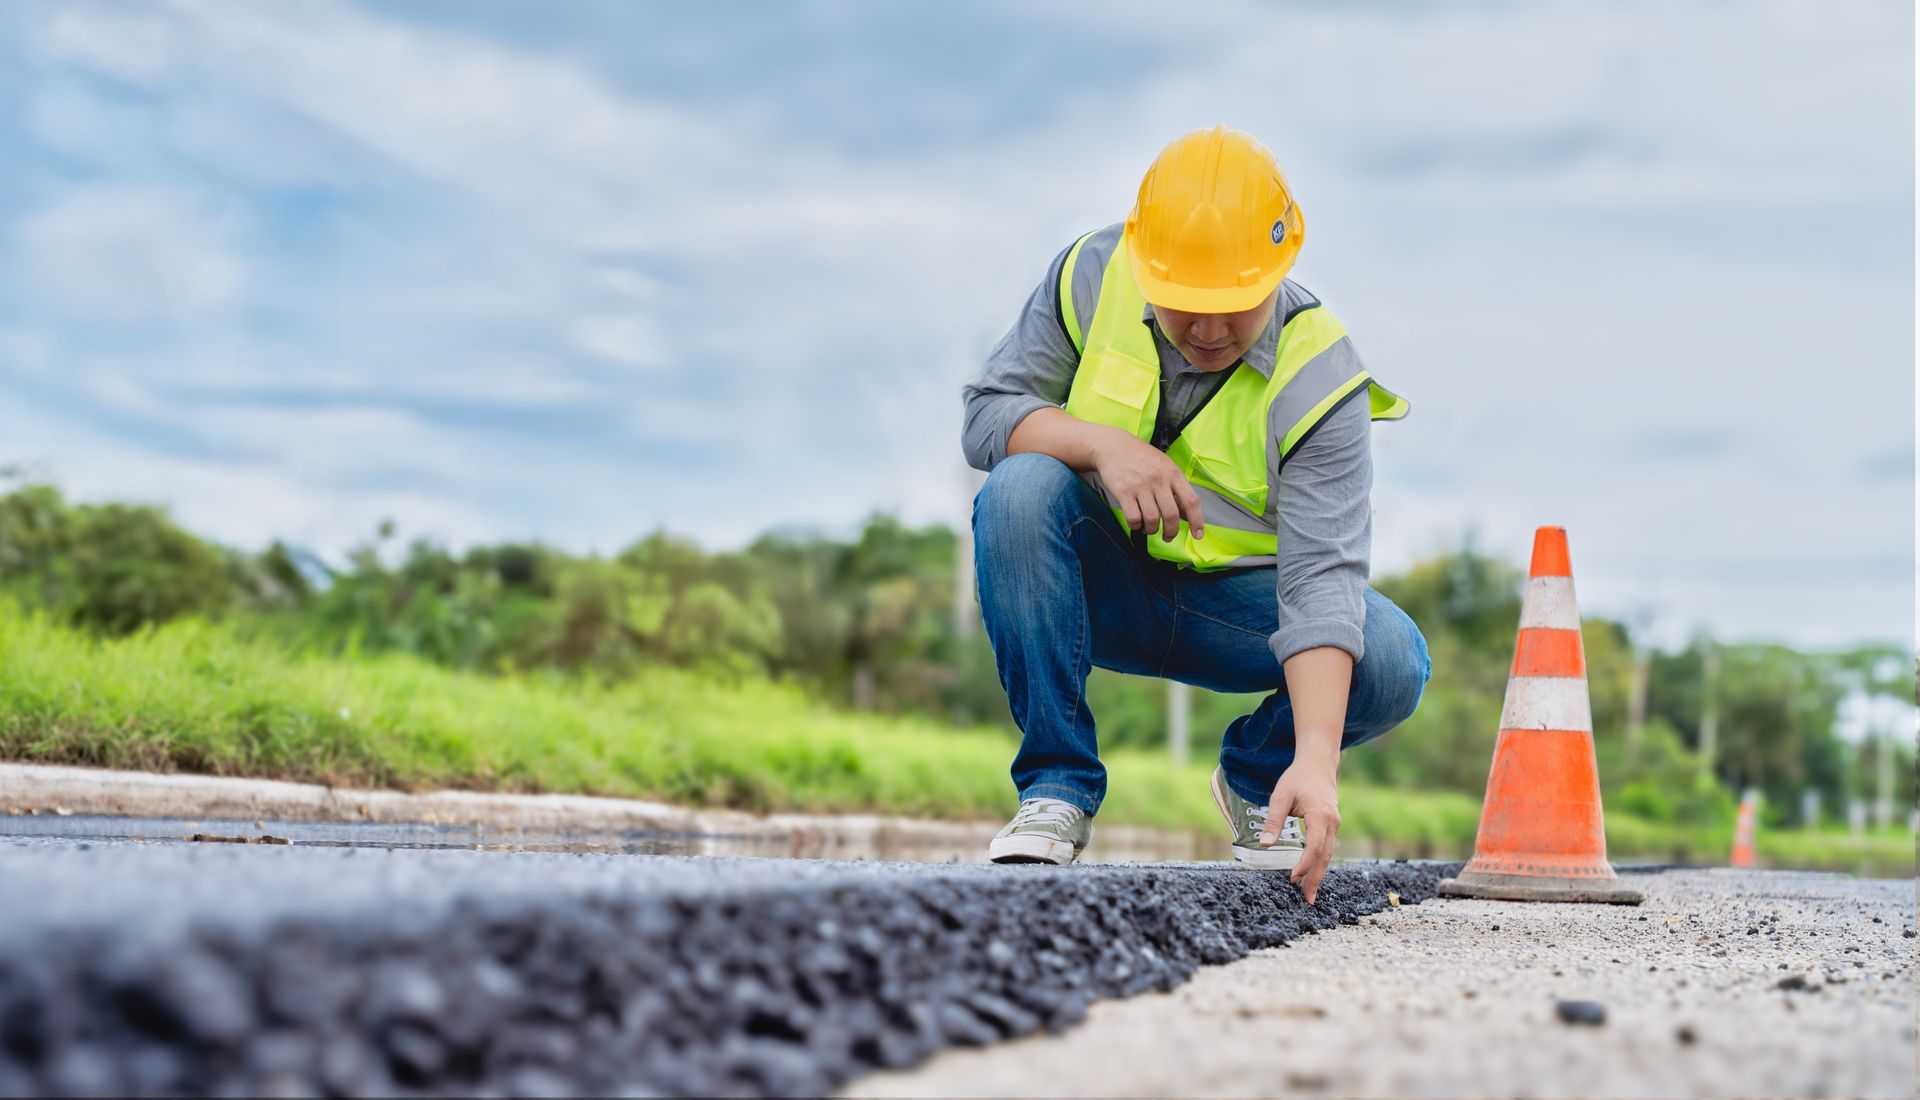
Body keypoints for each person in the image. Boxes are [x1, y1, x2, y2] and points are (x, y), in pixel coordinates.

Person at [960, 127, 1431, 904]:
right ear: (1147, 267)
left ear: (1277, 272)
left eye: (1234, 308)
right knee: (1018, 489)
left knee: (1388, 657)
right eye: (1186, 306)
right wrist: (1102, 446)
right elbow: (986, 420)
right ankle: (1056, 787)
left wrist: (1315, 756)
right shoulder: (1087, 277)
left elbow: (1322, 578)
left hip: (1239, 614)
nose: (1209, 332)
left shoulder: (1321, 374)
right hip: (1099, 586)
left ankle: (1255, 780)